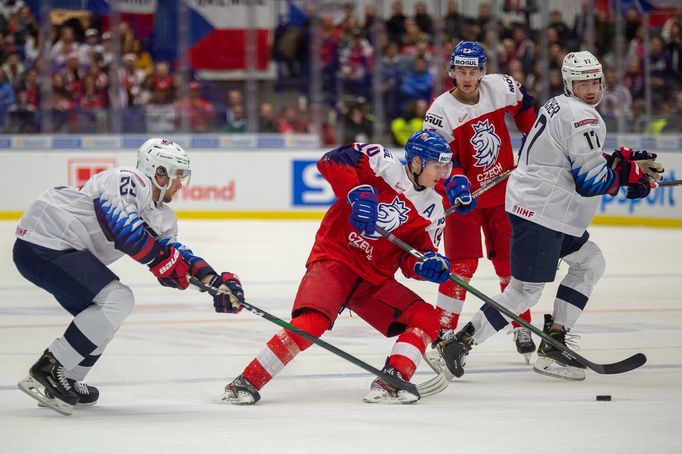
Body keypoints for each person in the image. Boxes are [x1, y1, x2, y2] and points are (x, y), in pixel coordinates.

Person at [435, 51, 663, 381]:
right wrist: (630, 177)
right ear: (570, 83)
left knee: (589, 262)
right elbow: (589, 181)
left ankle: (553, 339)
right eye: (583, 82)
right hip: (543, 212)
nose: (591, 89)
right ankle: (460, 343)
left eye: (595, 81)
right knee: (523, 291)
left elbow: (577, 157)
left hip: (545, 209)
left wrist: (624, 162)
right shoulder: (584, 117)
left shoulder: (559, 105)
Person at [221, 130, 474, 405]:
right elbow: (332, 160)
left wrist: (427, 265)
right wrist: (358, 192)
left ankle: (391, 381)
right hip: (336, 258)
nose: (444, 173)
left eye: (447, 166)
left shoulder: (435, 209)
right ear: (415, 163)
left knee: (427, 317)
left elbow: (412, 258)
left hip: (372, 282)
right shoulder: (383, 165)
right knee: (311, 323)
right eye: (438, 166)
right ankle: (245, 382)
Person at [14, 138, 246, 415]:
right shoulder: (129, 179)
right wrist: (163, 263)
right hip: (44, 242)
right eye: (177, 175)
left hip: (61, 250)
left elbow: (177, 254)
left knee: (106, 314)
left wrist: (215, 283)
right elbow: (125, 230)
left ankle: (67, 377)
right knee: (117, 300)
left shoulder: (163, 215)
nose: (181, 183)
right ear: (159, 172)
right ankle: (49, 369)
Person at [422, 41, 538, 370]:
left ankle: (521, 326)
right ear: (452, 72)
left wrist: (532, 136)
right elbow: (437, 158)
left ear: (482, 71)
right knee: (460, 267)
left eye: (473, 71)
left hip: (503, 195)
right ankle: (444, 333)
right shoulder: (440, 110)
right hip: (464, 203)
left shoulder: (500, 87)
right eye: (461, 71)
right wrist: (455, 179)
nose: (468, 77)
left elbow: (525, 105)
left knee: (509, 265)